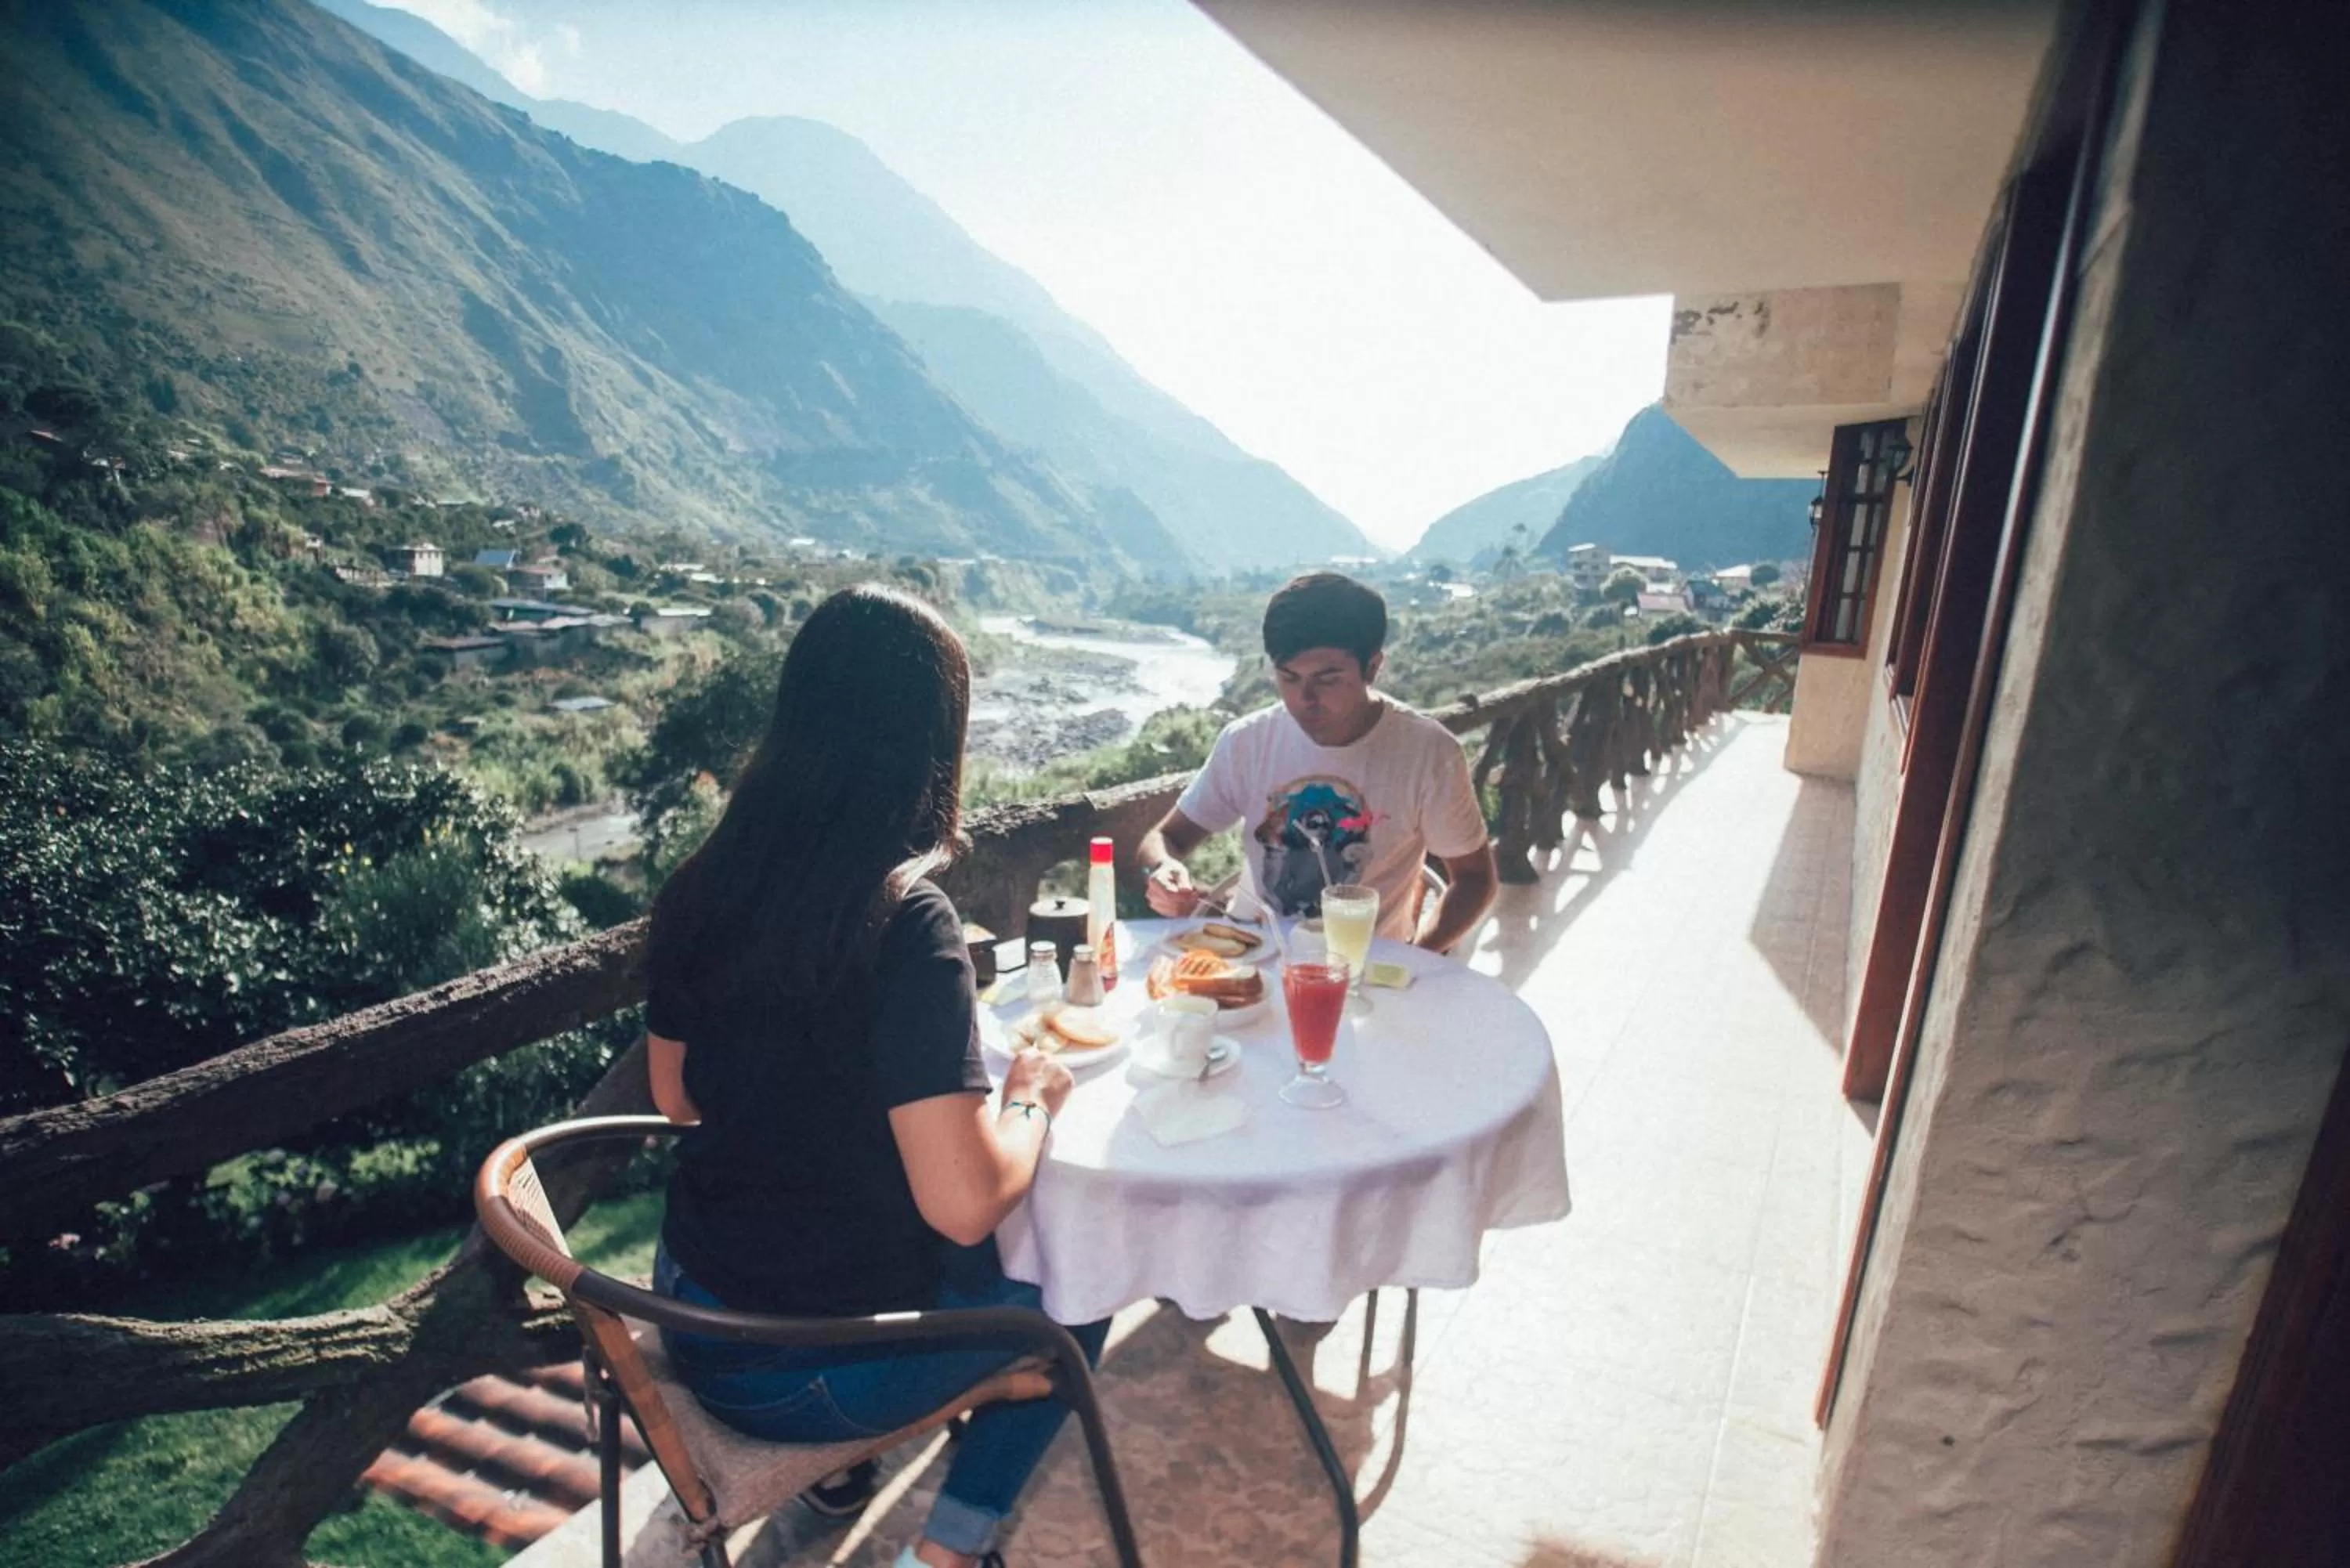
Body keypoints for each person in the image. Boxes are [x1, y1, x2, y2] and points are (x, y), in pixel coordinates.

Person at [642, 584, 1101, 1568]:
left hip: (689, 1311)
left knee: (990, 1261)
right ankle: (946, 1553)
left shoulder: (701, 883)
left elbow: (676, 1097)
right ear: (933, 743)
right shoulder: (905, 919)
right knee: (1086, 1280)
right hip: (808, 1370)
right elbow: (965, 1204)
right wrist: (1031, 1095)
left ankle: (841, 1479)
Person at [1138, 571, 1499, 952]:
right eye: (1288, 677)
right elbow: (1166, 837)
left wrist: (1418, 957)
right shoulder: (1247, 741)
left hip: (1368, 973)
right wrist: (1162, 869)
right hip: (1261, 963)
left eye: (1328, 679)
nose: (1304, 699)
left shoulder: (1427, 752)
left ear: (1373, 667)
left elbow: (1475, 878)